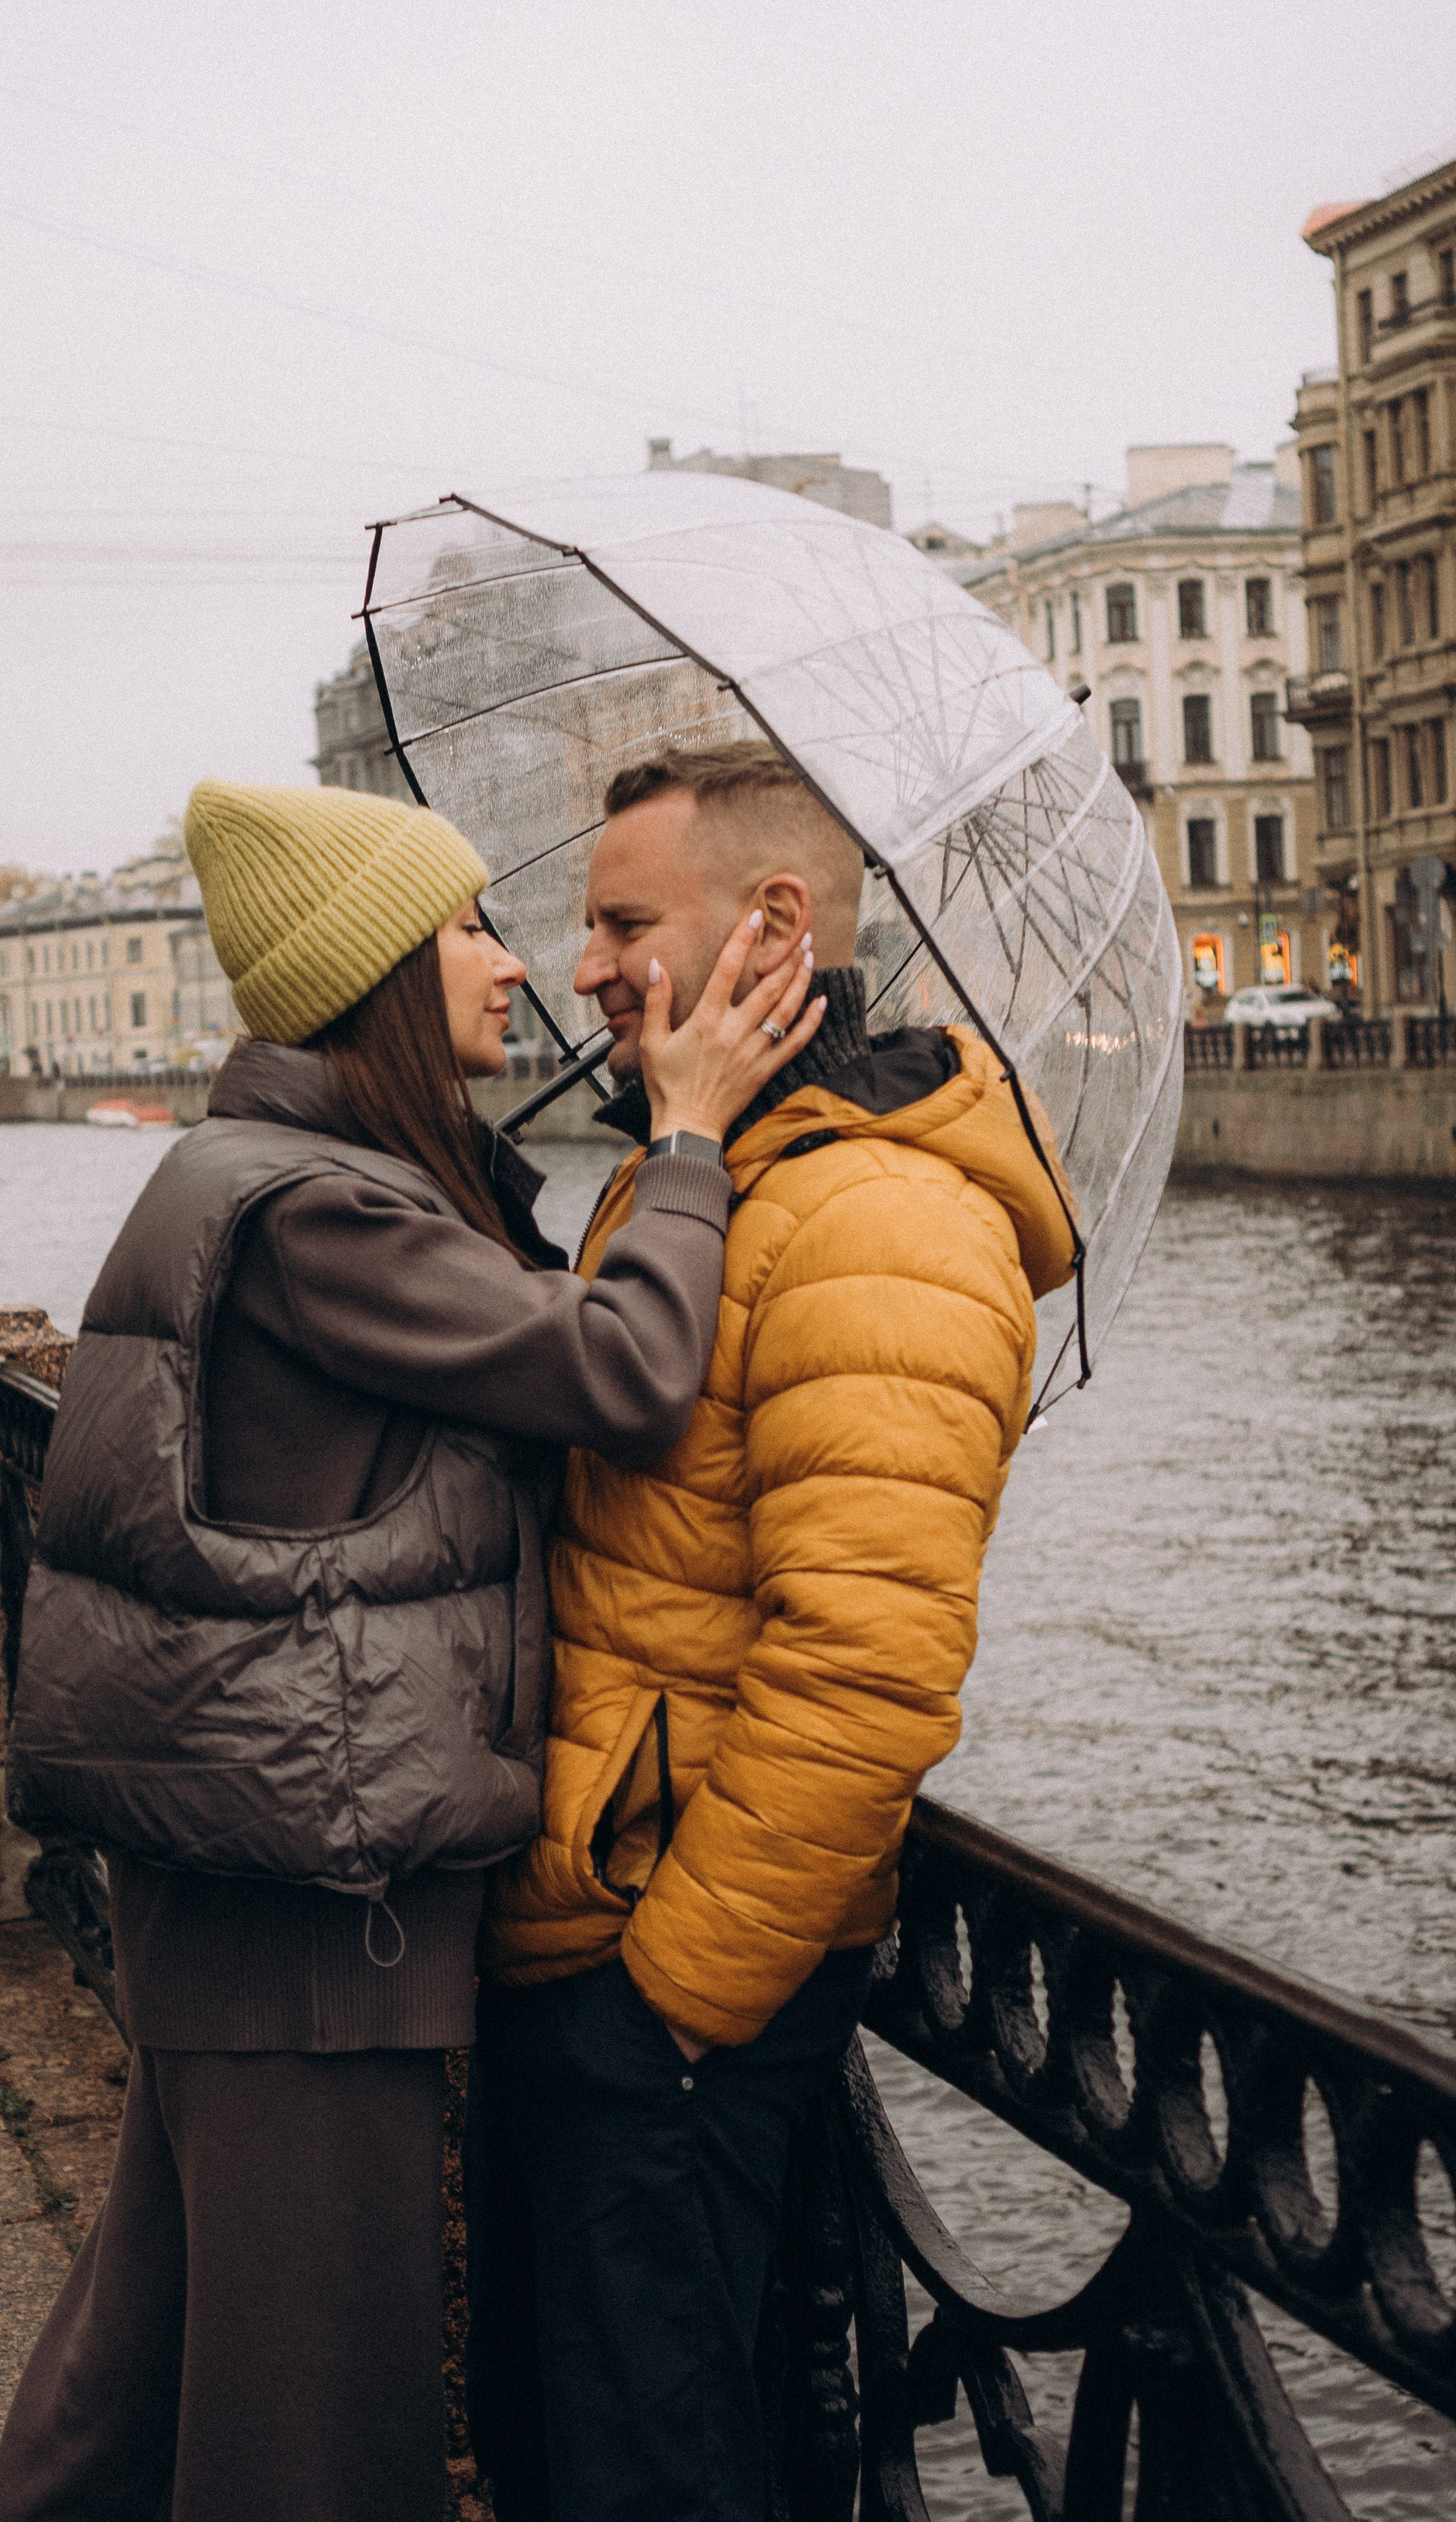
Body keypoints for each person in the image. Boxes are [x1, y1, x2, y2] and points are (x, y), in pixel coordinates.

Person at [0, 775, 824, 2522]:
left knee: (138, 2377)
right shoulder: (317, 1214)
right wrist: (680, 1144)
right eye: (462, 930)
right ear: (370, 973)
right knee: (319, 2426)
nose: (511, 966)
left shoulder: (280, 1179)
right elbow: (622, 1371)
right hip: (314, 1889)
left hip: (250, 1874)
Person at [471, 742, 1077, 2522]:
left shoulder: (878, 1214)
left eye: (621, 921)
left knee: (645, 2477)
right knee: (583, 2452)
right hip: (586, 1923)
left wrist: (666, 2009)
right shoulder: (715, 1168)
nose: (581, 964)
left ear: (774, 925)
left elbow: (864, 1673)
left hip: (665, 1989)